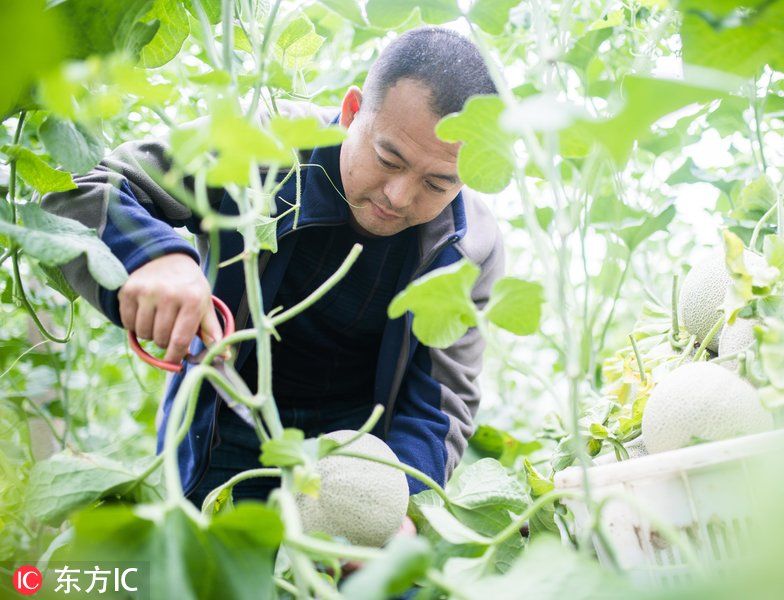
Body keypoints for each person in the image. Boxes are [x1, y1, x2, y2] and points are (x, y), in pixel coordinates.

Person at [41, 27, 504, 528]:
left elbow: (438, 405)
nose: (398, 195)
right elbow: (84, 193)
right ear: (351, 113)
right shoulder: (264, 148)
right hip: (224, 425)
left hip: (358, 462)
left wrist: (404, 504)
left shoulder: (470, 248)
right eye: (388, 158)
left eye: (437, 183)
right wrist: (154, 256)